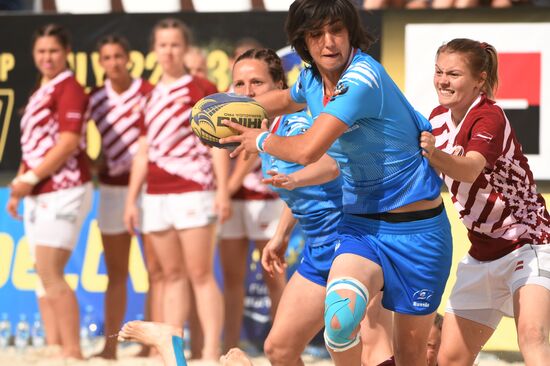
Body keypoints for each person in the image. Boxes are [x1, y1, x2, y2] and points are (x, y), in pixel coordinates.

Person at [220, 1, 453, 365]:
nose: (329, 43)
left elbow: (310, 150)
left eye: (336, 30)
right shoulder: (312, 79)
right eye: (316, 34)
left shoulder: (362, 78)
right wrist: (230, 110)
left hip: (419, 232)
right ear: (303, 42)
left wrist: (260, 140)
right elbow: (284, 98)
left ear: (351, 32)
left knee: (407, 357)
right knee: (339, 321)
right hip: (361, 227)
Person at [420, 38, 550, 366]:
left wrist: (433, 153)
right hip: (481, 255)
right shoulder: (434, 119)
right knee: (450, 359)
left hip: (529, 243)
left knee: (532, 337)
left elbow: (470, 168)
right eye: (438, 72)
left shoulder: (488, 116)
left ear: (479, 79)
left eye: (453, 73)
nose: (442, 80)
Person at [123, 18, 230, 362]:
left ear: (184, 49)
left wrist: (223, 190)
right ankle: (172, 350)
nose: (168, 51)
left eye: (174, 44)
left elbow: (218, 145)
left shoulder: (201, 87)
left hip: (194, 191)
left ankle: (210, 351)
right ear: (153, 50)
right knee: (169, 276)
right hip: (155, 195)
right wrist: (131, 200)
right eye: (162, 45)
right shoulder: (150, 94)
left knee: (200, 274)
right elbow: (143, 150)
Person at [6, 23, 92, 360]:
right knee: (40, 276)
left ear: (67, 52)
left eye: (53, 50)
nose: (47, 57)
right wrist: (21, 188)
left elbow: (68, 142)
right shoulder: (40, 89)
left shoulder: (69, 87)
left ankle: (73, 351)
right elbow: (33, 148)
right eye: (41, 51)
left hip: (65, 187)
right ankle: (56, 346)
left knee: (50, 270)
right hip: (39, 190)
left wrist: (28, 180)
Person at [87, 34, 156, 359]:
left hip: (148, 188)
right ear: (100, 62)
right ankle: (111, 345)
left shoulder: (147, 93)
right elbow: (73, 140)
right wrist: (92, 162)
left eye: (118, 56)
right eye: (106, 57)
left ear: (128, 58)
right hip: (113, 189)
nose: (113, 63)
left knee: (158, 271)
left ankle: (149, 344)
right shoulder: (94, 98)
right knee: (116, 272)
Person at [219, 49, 287, 352]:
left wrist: (227, 188)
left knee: (273, 276)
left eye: (256, 82)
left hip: (268, 197)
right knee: (232, 279)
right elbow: (216, 150)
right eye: (240, 84)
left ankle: (283, 346)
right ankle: (230, 346)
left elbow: (251, 152)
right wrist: (223, 189)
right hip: (234, 200)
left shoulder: (286, 112)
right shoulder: (224, 106)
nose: (247, 91)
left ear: (277, 83)